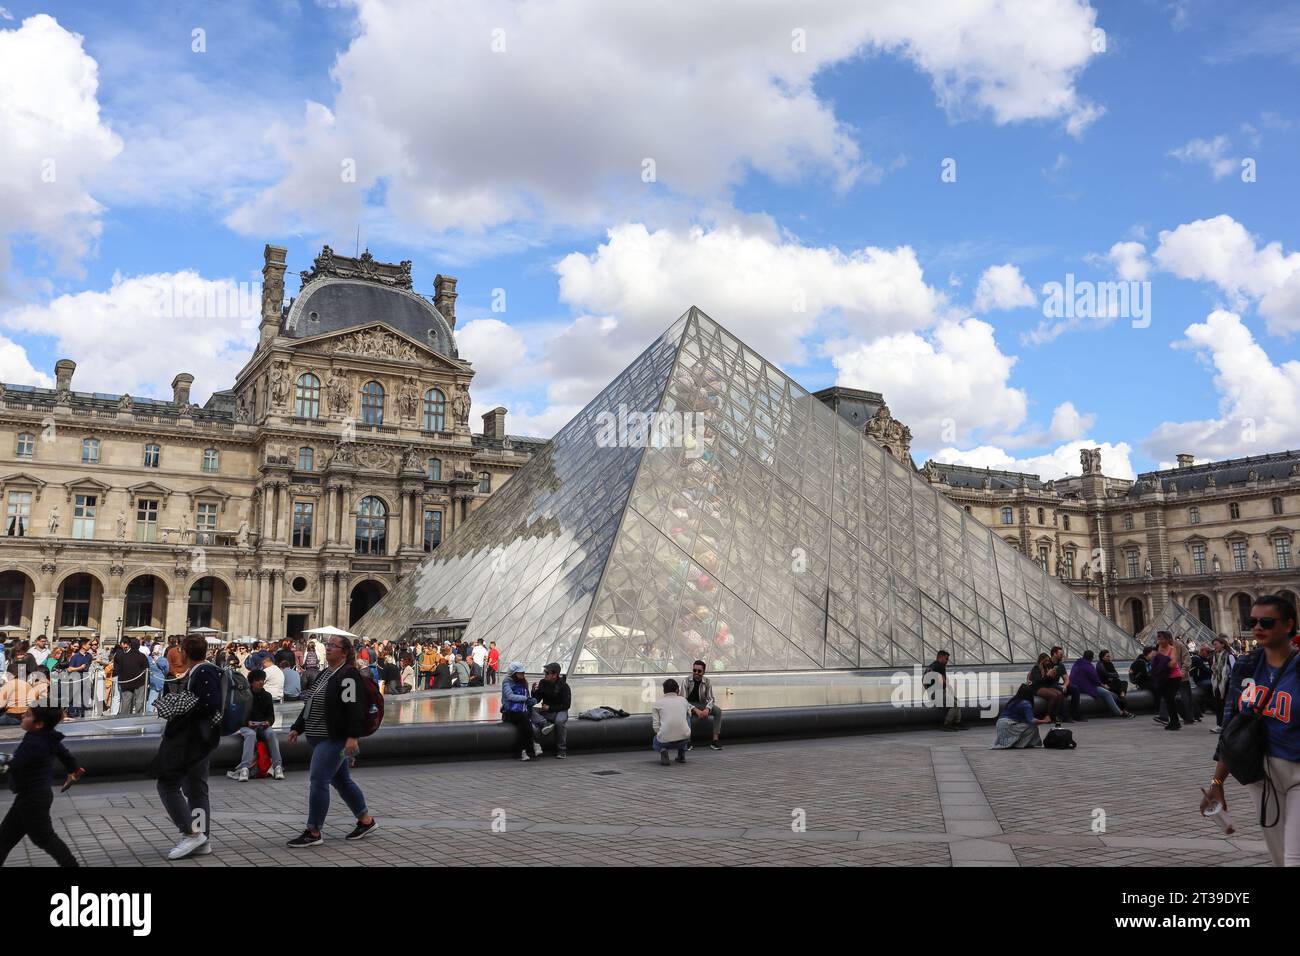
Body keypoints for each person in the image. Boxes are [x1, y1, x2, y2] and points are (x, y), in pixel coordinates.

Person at [1200, 595, 1300, 866]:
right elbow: (1233, 728)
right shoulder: (1247, 665)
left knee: (1294, 859)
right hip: (1259, 775)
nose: (1258, 628)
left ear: (1289, 624)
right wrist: (1217, 783)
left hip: (1297, 772)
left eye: (1266, 622)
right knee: (1279, 858)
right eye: (1252, 621)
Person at [285, 635, 377, 847]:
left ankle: (313, 831)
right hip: (319, 737)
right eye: (327, 645)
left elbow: (353, 709)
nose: (328, 649)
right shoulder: (326, 673)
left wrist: (353, 737)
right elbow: (310, 702)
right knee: (341, 780)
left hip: (335, 738)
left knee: (318, 780)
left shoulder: (348, 675)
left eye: (333, 646)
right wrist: (297, 727)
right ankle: (366, 821)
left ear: (344, 652)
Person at [153, 635, 223, 859]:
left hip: (192, 741)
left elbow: (209, 704)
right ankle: (202, 838)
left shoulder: (203, 672)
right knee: (196, 791)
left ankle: (191, 832)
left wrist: (180, 705)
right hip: (200, 741)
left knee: (167, 784)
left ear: (184, 652)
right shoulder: (202, 671)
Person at [0, 706, 83, 867]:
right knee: (5, 838)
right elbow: (66, 757)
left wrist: (5, 761)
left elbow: (17, 765)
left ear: (38, 724)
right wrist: (74, 772)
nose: (23, 715)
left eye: (28, 715)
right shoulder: (47, 737)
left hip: (32, 799)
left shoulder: (34, 742)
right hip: (33, 797)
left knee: (44, 838)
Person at [227, 669, 284, 782]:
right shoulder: (245, 696)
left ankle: (277, 766)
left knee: (271, 734)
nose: (261, 682)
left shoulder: (267, 696)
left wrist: (268, 722)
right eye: (258, 680)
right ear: (251, 682)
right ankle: (245, 768)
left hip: (263, 725)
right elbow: (239, 716)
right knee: (251, 735)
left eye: (262, 680)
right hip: (247, 726)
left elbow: (271, 716)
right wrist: (247, 723)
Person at [1069, 650, 1134, 718]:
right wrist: (1103, 686)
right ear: (1091, 658)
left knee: (1119, 686)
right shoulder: (1089, 666)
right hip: (1085, 687)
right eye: (1107, 656)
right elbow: (1096, 679)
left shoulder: (1077, 663)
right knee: (1107, 693)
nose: (1109, 657)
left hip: (1076, 686)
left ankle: (1121, 705)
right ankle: (1119, 712)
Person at [501, 662, 541, 761]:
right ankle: (534, 744)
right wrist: (525, 698)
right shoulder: (506, 682)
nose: (522, 674)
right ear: (514, 673)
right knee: (525, 719)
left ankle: (523, 752)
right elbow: (510, 696)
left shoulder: (523, 682)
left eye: (523, 672)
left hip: (521, 711)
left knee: (522, 725)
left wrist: (532, 699)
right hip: (509, 712)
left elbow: (526, 698)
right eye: (520, 672)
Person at [991, 684, 1052, 749]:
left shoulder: (1014, 700)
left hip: (1000, 725)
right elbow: (1032, 721)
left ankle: (1013, 743)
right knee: (1033, 727)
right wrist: (1045, 721)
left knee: (1026, 726)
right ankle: (1020, 744)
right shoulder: (1026, 704)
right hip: (1008, 725)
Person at [529, 663, 571, 758]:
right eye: (545, 672)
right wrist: (533, 692)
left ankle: (561, 750)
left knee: (559, 722)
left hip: (560, 711)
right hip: (547, 712)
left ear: (554, 675)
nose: (545, 674)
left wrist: (550, 708)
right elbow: (537, 699)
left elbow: (566, 705)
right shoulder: (543, 683)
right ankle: (545, 723)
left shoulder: (564, 686)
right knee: (528, 710)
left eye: (547, 673)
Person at [681, 660, 723, 749]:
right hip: (689, 705)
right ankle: (687, 741)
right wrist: (695, 710)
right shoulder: (686, 681)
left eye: (699, 671)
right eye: (694, 670)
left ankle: (715, 740)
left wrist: (707, 709)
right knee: (685, 713)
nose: (696, 673)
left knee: (718, 711)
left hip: (702, 704)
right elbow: (683, 700)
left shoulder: (707, 682)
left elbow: (711, 698)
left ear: (703, 672)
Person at [652, 678, 692, 765]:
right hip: (684, 739)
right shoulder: (683, 700)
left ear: (663, 690)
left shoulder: (657, 704)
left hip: (664, 741)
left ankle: (663, 750)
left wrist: (661, 734)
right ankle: (682, 753)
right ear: (677, 689)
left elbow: (655, 726)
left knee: (655, 741)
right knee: (687, 716)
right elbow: (689, 715)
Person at [923, 649, 964, 731]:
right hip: (938, 693)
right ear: (940, 657)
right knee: (954, 704)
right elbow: (943, 680)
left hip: (934, 693)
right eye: (946, 659)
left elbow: (924, 681)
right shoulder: (940, 666)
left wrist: (929, 691)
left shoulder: (931, 666)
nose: (947, 661)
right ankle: (947, 724)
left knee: (957, 701)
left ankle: (957, 723)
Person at [1150, 634, 1183, 731]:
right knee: (1168, 700)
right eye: (1158, 638)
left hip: (1174, 677)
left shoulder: (1173, 649)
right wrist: (1162, 660)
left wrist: (1160, 659)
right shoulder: (1158, 648)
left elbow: (1173, 664)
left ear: (1167, 639)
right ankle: (1174, 721)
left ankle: (1175, 722)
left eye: (1161, 638)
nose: (1159, 640)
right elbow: (1151, 659)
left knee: (1170, 699)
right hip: (1163, 677)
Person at [0, 659, 47, 725]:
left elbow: (1, 704)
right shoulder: (27, 685)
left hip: (12, 716)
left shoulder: (9, 684)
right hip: (26, 716)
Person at [112, 638, 150, 716]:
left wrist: (121, 681)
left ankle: (124, 718)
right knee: (139, 701)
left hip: (126, 682)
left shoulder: (123, 656)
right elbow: (147, 669)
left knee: (126, 702)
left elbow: (119, 669)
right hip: (140, 682)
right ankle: (138, 717)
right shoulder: (142, 656)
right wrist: (147, 681)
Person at [1209, 637, 1236, 733]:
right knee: (1218, 704)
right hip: (1218, 682)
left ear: (1222, 644)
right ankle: (1220, 724)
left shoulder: (1229, 656)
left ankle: (1226, 724)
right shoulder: (1215, 655)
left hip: (1227, 683)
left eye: (1216, 644)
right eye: (1214, 644)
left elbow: (1234, 669)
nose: (1214, 646)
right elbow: (1214, 668)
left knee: (1225, 704)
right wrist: (1213, 668)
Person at [1027, 653, 1064, 723]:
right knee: (1053, 695)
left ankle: (1055, 715)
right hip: (1036, 687)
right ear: (1042, 661)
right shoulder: (1036, 668)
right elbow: (1038, 681)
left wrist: (1052, 676)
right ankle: (1047, 715)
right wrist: (1047, 675)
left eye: (1048, 661)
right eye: (1046, 661)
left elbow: (1048, 682)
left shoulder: (1047, 668)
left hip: (1045, 686)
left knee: (1059, 694)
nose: (1048, 662)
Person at [1096, 649, 1131, 714]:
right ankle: (1123, 704)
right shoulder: (1100, 665)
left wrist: (1111, 676)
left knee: (1124, 682)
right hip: (1106, 684)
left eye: (1109, 656)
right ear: (1102, 657)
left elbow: (1116, 674)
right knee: (1119, 688)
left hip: (1113, 682)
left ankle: (1122, 695)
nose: (1109, 657)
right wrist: (1111, 676)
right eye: (1107, 656)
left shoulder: (1110, 663)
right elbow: (1106, 675)